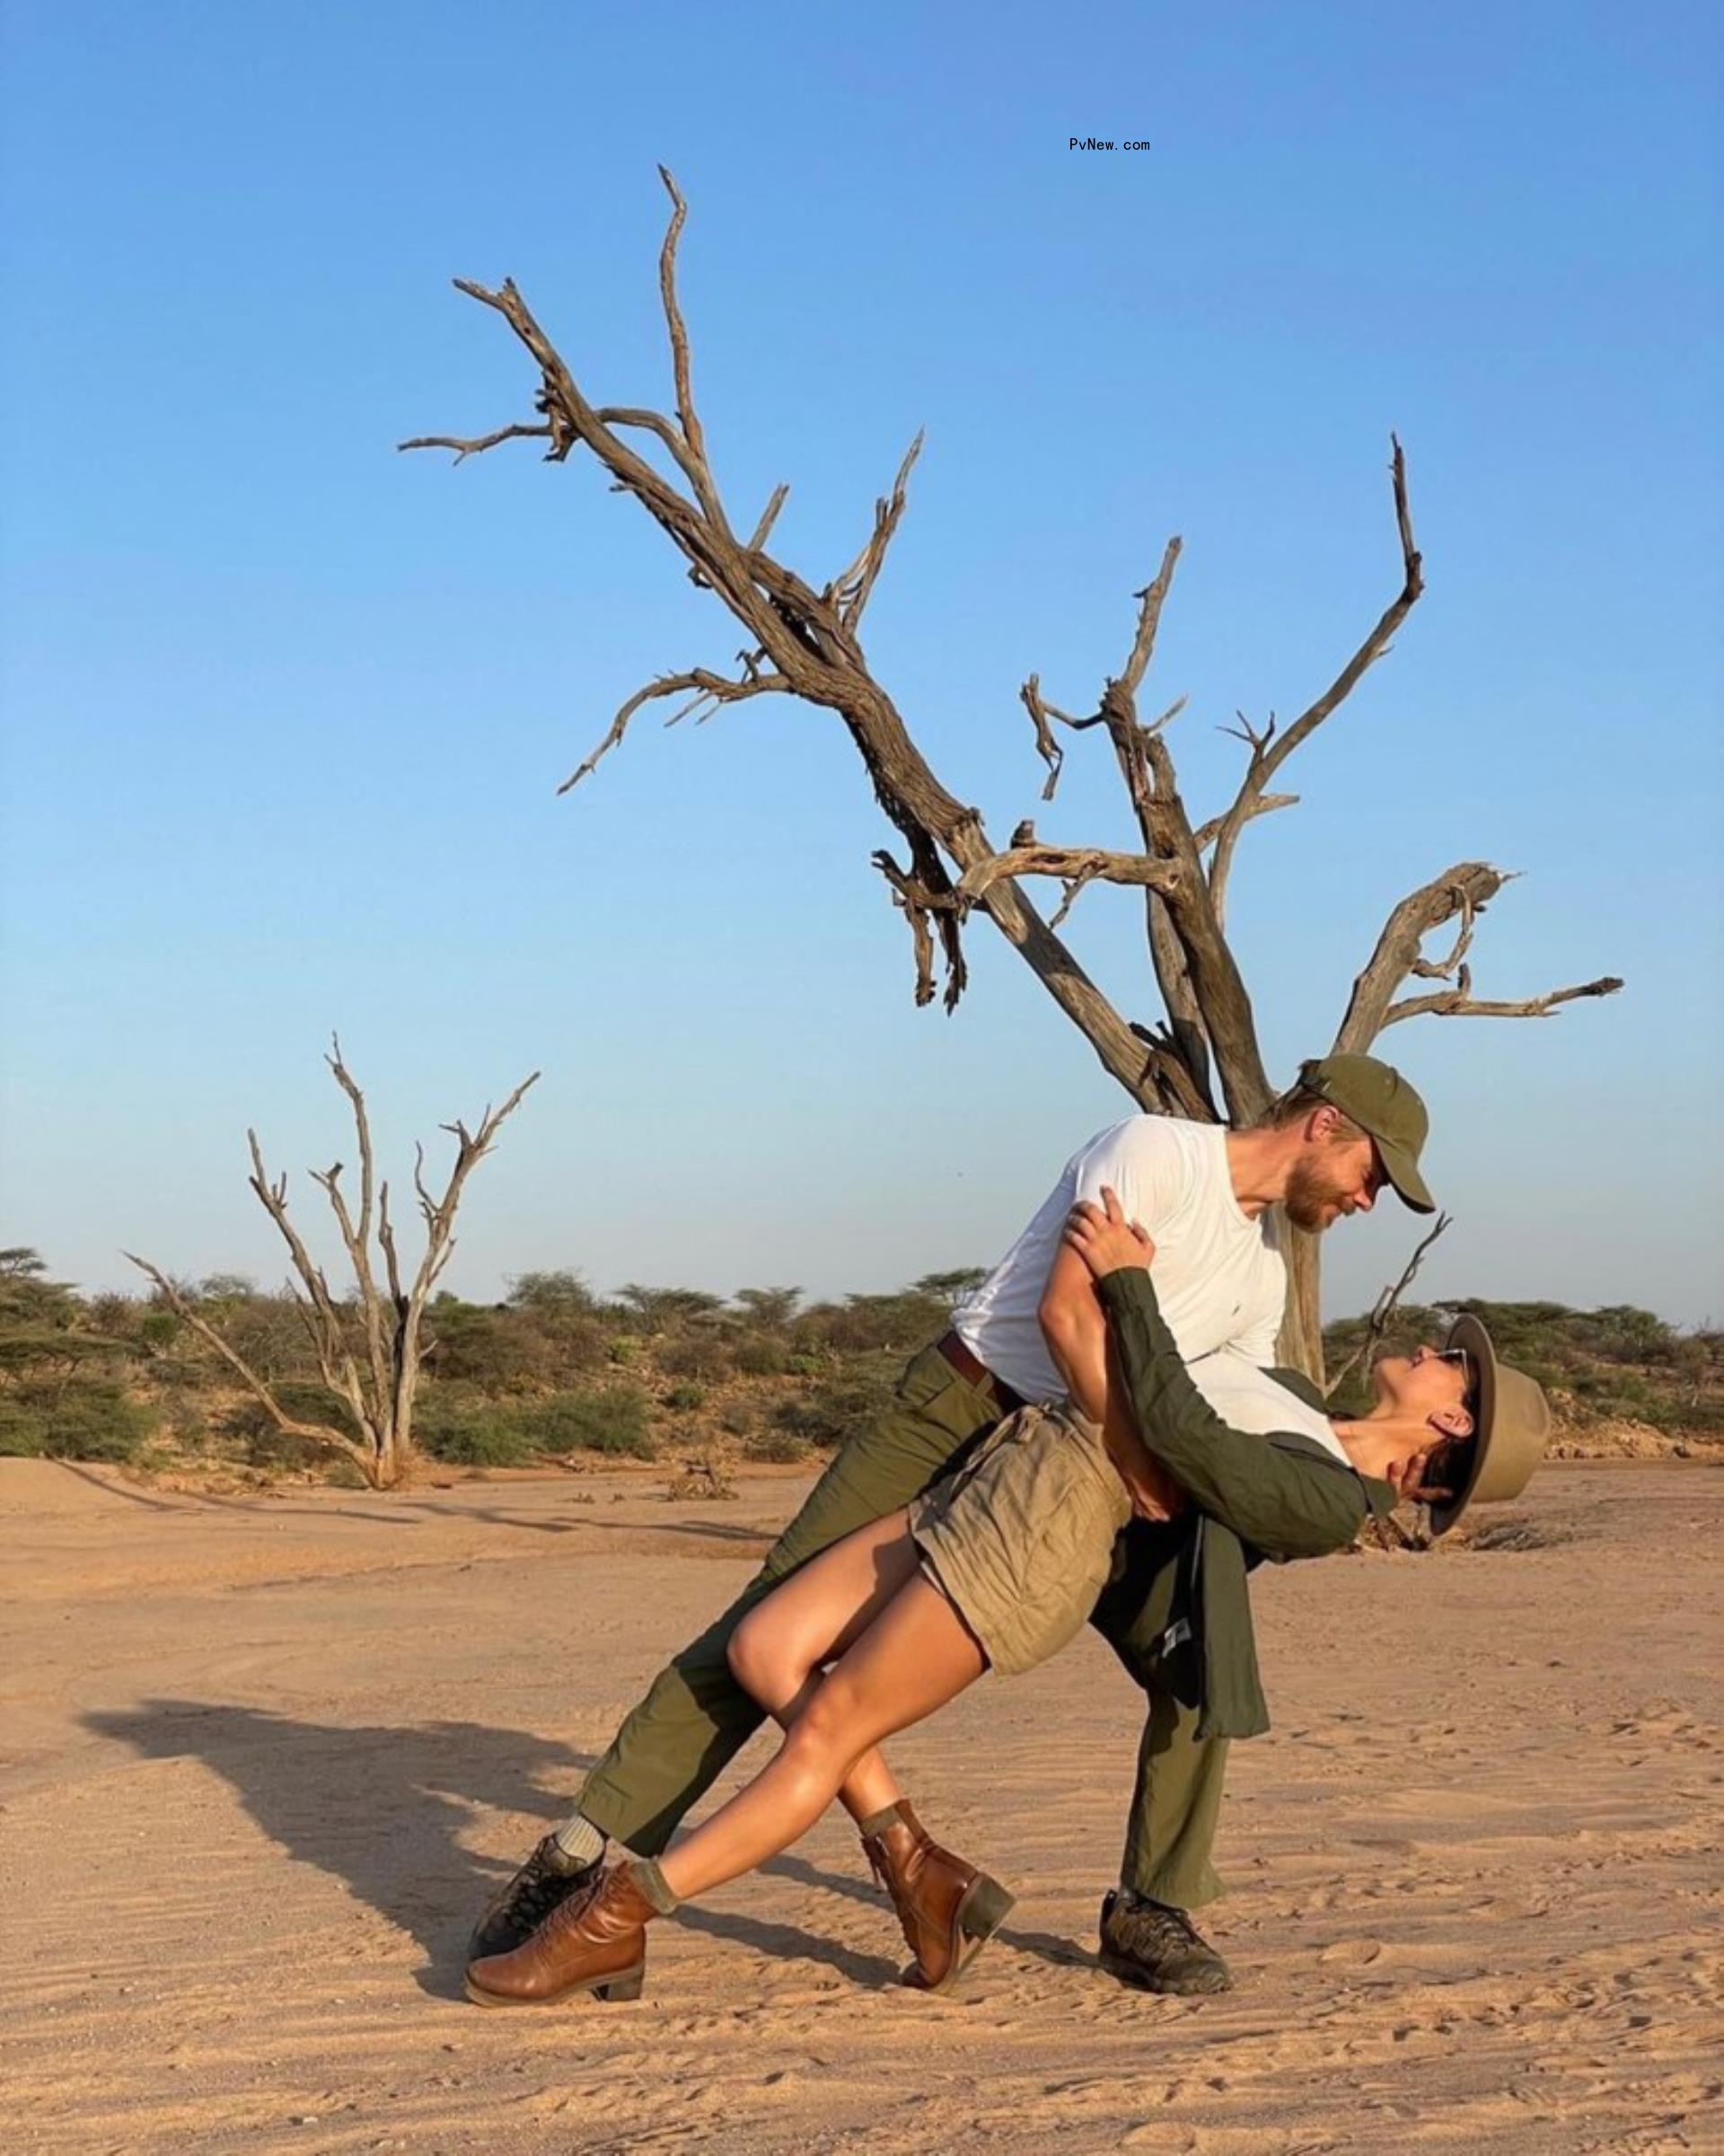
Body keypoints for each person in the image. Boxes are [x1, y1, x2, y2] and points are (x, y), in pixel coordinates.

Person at [469, 1052, 1437, 1998]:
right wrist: (1141, 1456)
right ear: (1323, 1125)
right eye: (1372, 1174)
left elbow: (1225, 1401)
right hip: (971, 1413)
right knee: (760, 1637)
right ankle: (589, 1856)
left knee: (1201, 1661)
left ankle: (1151, 1905)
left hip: (1076, 1475)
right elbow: (1068, 1316)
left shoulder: (1265, 1272)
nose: (1369, 1200)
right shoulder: (1155, 1153)